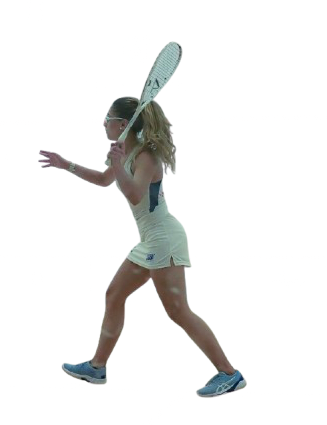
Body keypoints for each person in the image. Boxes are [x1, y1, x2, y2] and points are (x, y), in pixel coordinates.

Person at [39, 97, 246, 397]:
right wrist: (65, 164)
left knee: (178, 311)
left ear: (122, 124)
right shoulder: (128, 152)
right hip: (151, 241)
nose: (103, 123)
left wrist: (117, 163)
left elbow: (135, 194)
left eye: (107, 118)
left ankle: (229, 373)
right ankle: (97, 367)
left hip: (164, 240)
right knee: (114, 295)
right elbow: (103, 180)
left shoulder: (146, 157)